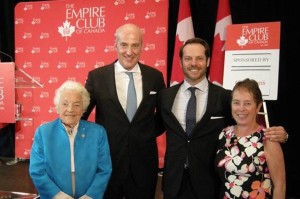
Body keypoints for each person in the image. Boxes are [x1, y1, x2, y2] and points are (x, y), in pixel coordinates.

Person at [157, 37, 288, 199]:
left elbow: (247, 125)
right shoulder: (165, 96)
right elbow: (153, 128)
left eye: (199, 58)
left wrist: (280, 134)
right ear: (180, 61)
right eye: (188, 58)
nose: (193, 63)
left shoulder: (225, 97)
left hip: (210, 185)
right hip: (173, 183)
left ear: (208, 61)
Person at [82, 23, 166, 199]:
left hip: (144, 165)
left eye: (135, 45)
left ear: (142, 46)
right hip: (107, 164)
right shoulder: (97, 77)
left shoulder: (155, 77)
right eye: (124, 44)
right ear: (115, 45)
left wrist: (144, 134)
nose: (129, 51)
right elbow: (81, 115)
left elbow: (164, 116)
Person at [29, 80, 112, 199]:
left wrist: (89, 196)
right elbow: (37, 171)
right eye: (65, 104)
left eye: (77, 104)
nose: (70, 109)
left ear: (83, 108)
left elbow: (104, 170)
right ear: (57, 107)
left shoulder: (98, 132)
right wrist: (58, 196)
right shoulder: (43, 133)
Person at [215, 78, 286, 198]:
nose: (241, 108)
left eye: (247, 103)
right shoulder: (224, 134)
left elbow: (280, 185)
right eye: (236, 102)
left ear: (258, 107)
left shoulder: (268, 138)